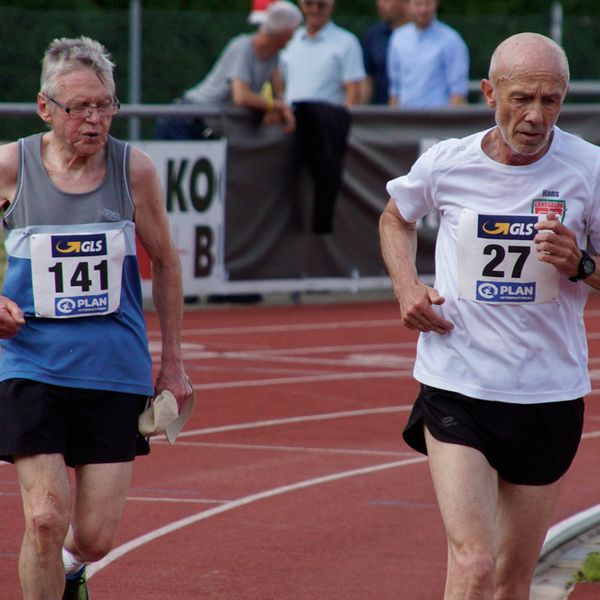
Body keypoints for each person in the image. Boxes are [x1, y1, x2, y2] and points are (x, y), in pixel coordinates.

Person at [379, 32, 598, 599]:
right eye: (521, 98)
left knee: (510, 579)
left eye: (551, 101)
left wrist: (580, 264)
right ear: (488, 92)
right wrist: (407, 287)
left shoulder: (589, 169)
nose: (535, 116)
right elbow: (395, 216)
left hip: (547, 393)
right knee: (473, 562)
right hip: (458, 386)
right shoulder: (447, 163)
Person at [0, 36, 193, 600]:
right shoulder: (11, 165)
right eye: (79, 107)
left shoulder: (135, 170)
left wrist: (173, 365)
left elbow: (166, 262)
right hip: (29, 360)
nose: (94, 119)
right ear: (45, 108)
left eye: (104, 104)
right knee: (43, 517)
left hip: (113, 365)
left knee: (95, 536)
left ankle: (72, 569)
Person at [155, 0, 303, 140]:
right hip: (185, 121)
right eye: (292, 32)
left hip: (207, 129)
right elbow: (241, 96)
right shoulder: (243, 47)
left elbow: (279, 93)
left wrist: (278, 108)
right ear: (285, 33)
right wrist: (276, 105)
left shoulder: (274, 56)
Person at [279, 0, 366, 233]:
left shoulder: (347, 43)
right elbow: (280, 85)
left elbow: (353, 95)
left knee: (324, 192)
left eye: (321, 4)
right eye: (309, 3)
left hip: (327, 136)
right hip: (290, 130)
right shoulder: (290, 41)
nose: (314, 9)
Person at [387, 0, 469, 107]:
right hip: (405, 118)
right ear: (408, 5)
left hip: (438, 118)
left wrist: (451, 121)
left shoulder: (451, 40)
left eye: (428, 4)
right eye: (418, 4)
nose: (423, 10)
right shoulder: (398, 38)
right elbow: (395, 88)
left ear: (436, 4)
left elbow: (458, 90)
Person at [362, 0, 410, 104]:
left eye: (387, 0)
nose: (381, 4)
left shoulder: (423, 35)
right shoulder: (373, 35)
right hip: (381, 110)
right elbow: (367, 78)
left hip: (416, 108)